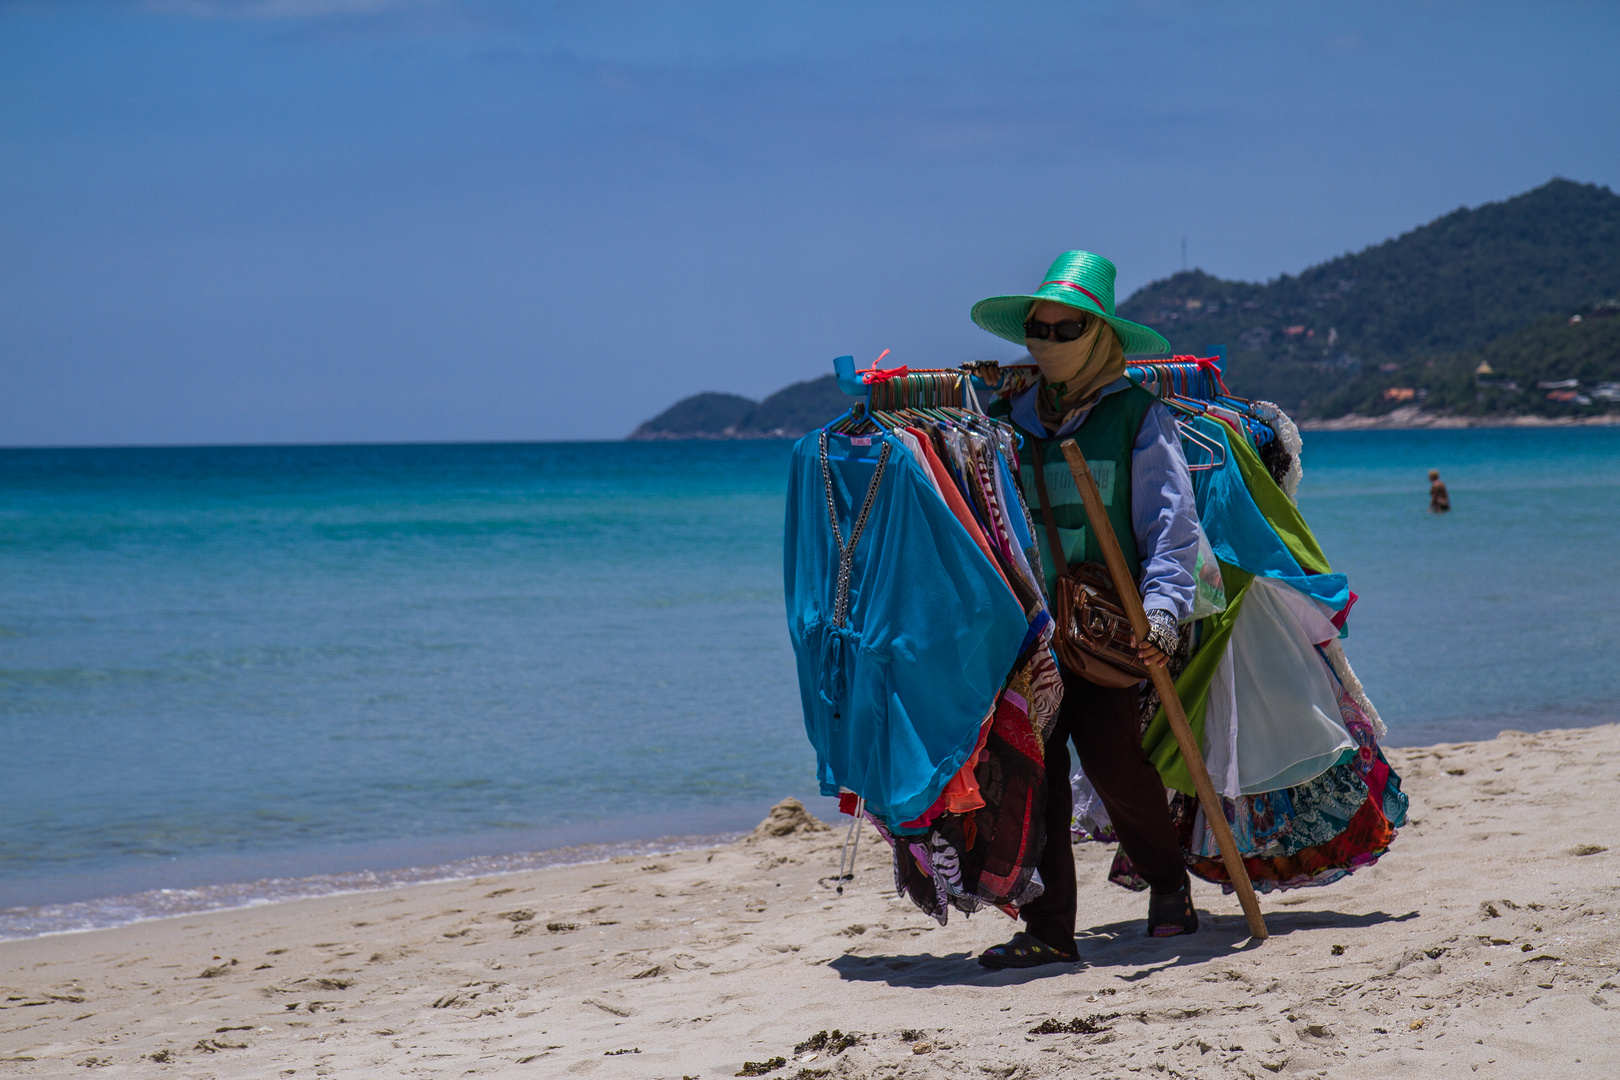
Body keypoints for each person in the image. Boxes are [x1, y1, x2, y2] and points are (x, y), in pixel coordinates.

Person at [968, 251, 1202, 969]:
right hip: (1028, 626)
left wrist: (1163, 613)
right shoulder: (1006, 418)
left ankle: (1167, 882)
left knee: (1116, 768)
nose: (1047, 340)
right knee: (1035, 771)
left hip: (1107, 622)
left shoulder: (1136, 415)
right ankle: (1049, 930)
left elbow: (1172, 525)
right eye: (1038, 327)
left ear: (1099, 335)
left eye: (1066, 328)